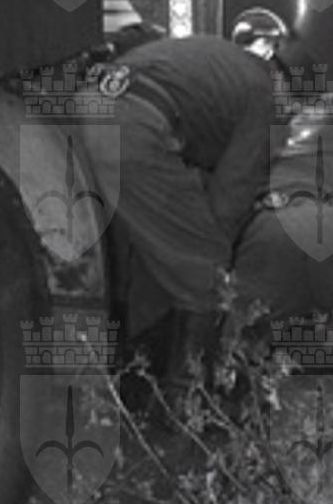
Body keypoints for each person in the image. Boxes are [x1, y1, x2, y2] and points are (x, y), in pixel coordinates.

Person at [78, 31, 278, 372]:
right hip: (131, 133)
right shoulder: (266, 97)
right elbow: (228, 204)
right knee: (203, 268)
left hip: (81, 112)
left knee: (137, 260)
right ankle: (188, 394)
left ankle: (132, 372)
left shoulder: (216, 56)